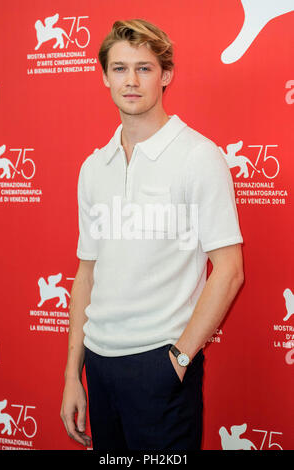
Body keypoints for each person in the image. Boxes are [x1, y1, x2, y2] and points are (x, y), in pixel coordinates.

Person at [60, 18, 244, 451]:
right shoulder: (94, 167)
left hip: (161, 366)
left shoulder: (198, 156)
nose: (131, 80)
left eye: (144, 68)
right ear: (104, 76)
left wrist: (179, 360)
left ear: (166, 75)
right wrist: (73, 374)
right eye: (120, 68)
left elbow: (230, 270)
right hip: (99, 366)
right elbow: (86, 274)